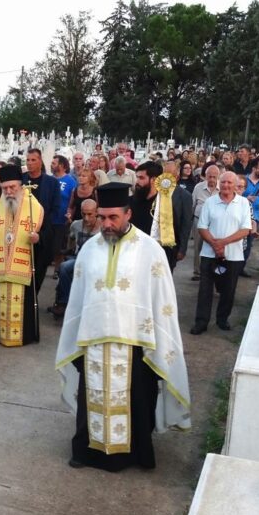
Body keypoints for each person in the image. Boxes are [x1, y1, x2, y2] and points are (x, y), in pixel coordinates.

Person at [56, 182, 191, 472]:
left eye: (113, 217)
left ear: (128, 214)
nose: (106, 224)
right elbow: (78, 298)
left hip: (135, 340)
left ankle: (137, 453)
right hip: (94, 338)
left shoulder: (150, 249)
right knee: (91, 396)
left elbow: (162, 300)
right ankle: (86, 451)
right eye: (102, 217)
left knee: (137, 398)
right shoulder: (90, 249)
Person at [0, 165, 42, 346]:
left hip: (23, 264)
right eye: (5, 188)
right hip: (2, 264)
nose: (9, 192)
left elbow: (47, 234)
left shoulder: (34, 206)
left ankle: (25, 335)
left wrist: (37, 238)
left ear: (21, 185)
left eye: (12, 187)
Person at [190, 172, 253, 334]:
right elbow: (202, 226)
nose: (226, 185)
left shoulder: (243, 203)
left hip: (233, 255)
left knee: (228, 289)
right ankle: (201, 321)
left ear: (235, 185)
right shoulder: (210, 202)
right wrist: (215, 245)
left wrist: (223, 243)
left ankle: (222, 319)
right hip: (209, 253)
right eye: (223, 182)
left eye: (229, 183)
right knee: (205, 289)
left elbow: (245, 229)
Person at [130, 161, 193, 271]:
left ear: (153, 179)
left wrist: (179, 250)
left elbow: (180, 227)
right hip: (135, 257)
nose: (137, 182)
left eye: (141, 178)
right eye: (137, 177)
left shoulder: (165, 205)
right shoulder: (130, 202)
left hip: (160, 258)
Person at [48, 198, 99, 320]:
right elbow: (70, 240)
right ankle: (63, 303)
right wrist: (69, 250)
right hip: (79, 258)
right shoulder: (76, 225)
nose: (86, 218)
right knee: (64, 267)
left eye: (90, 214)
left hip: (96, 261)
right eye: (83, 214)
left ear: (96, 212)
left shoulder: (102, 227)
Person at [22, 148, 60, 293]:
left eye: (33, 160)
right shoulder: (21, 180)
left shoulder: (51, 183)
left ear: (40, 161)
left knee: (39, 269)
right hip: (22, 229)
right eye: (28, 160)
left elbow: (55, 207)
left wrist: (43, 227)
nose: (30, 163)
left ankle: (33, 296)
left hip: (43, 231)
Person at [190, 165, 220, 281]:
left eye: (214, 177)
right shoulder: (198, 187)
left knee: (213, 246)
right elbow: (193, 204)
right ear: (205, 176)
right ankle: (197, 272)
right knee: (198, 246)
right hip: (198, 221)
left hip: (215, 223)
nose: (211, 179)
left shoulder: (221, 188)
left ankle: (211, 271)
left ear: (218, 177)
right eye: (209, 177)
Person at [51, 154, 78, 272]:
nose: (51, 165)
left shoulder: (70, 181)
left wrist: (70, 215)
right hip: (49, 218)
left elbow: (73, 200)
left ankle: (57, 269)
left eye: (54, 163)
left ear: (61, 165)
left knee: (59, 247)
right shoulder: (50, 179)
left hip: (61, 219)